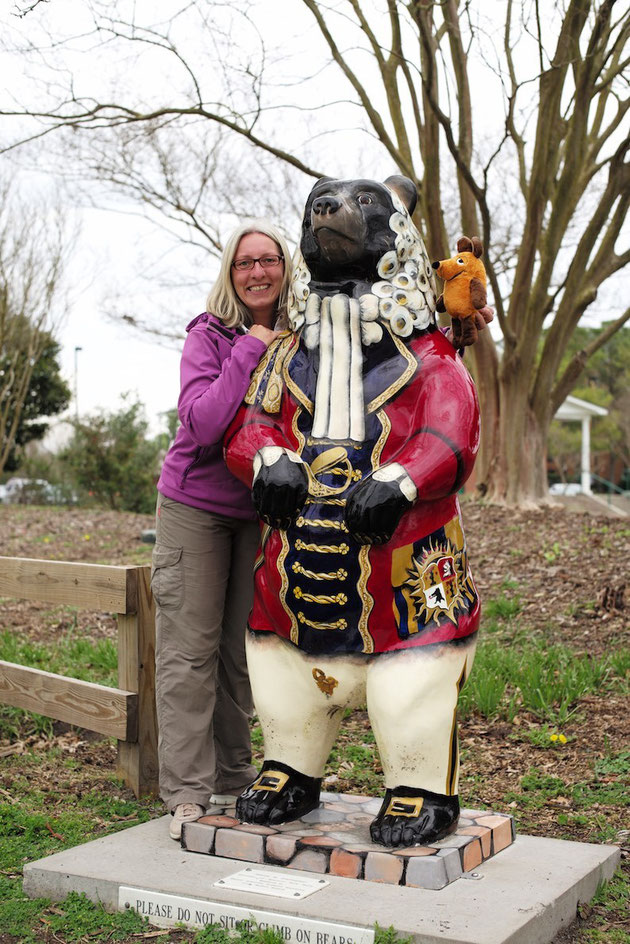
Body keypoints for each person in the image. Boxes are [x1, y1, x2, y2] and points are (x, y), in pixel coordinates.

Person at [151, 221, 291, 839]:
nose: (257, 272)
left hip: (256, 515)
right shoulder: (209, 337)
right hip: (196, 508)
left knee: (241, 656)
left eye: (269, 260)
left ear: (286, 269)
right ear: (230, 273)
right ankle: (185, 789)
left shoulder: (305, 339)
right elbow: (204, 423)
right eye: (245, 263)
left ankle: (234, 778)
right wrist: (252, 346)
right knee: (190, 652)